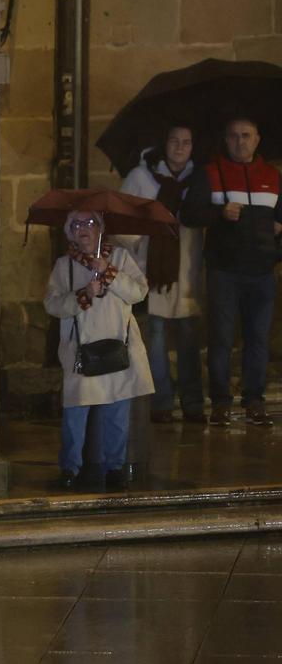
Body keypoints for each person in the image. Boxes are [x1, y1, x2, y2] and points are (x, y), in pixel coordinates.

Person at [181, 116, 282, 427]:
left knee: (258, 339)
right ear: (225, 140)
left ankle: (254, 401)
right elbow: (189, 214)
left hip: (262, 272)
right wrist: (219, 213)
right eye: (234, 136)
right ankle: (221, 403)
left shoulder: (273, 176)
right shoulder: (211, 173)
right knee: (221, 339)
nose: (240, 141)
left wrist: (277, 240)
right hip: (224, 271)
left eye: (246, 135)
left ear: (257, 139)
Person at [44, 210, 153, 489]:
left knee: (117, 413)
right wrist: (84, 295)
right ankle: (70, 468)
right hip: (81, 351)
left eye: (90, 223)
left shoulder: (120, 258)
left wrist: (109, 272)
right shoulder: (64, 266)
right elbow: (53, 305)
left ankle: (115, 468)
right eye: (77, 224)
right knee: (75, 414)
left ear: (100, 228)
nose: (84, 229)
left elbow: (139, 293)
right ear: (70, 231)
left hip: (117, 345)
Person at [117, 125, 205, 424]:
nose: (180, 147)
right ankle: (162, 403)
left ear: (193, 147)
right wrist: (141, 239)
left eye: (186, 142)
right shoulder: (140, 177)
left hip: (187, 268)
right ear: (164, 144)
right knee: (154, 338)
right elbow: (121, 218)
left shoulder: (199, 180)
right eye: (174, 141)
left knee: (189, 339)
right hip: (152, 269)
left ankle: (193, 403)